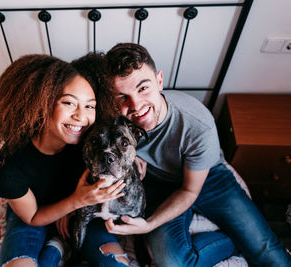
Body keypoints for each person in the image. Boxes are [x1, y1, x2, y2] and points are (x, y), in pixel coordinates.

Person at [104, 43, 291, 266]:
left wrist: (150, 224)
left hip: (208, 178)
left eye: (143, 88)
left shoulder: (197, 124)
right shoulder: (111, 118)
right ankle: (234, 241)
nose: (135, 105)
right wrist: (129, 155)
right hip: (157, 186)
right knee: (172, 263)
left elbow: (190, 191)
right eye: (123, 97)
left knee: (268, 253)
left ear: (160, 80)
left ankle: (244, 240)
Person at [0, 54, 127, 267]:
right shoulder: (10, 164)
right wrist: (75, 201)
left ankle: (56, 249)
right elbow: (33, 217)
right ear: (42, 103)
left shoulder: (92, 140)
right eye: (69, 103)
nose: (81, 117)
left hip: (84, 210)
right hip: (37, 210)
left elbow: (124, 138)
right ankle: (56, 249)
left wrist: (135, 159)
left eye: (90, 106)